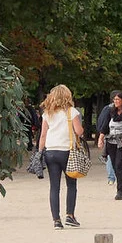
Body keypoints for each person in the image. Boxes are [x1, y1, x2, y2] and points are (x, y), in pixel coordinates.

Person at [38, 84, 83, 230]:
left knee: (54, 187)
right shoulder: (72, 112)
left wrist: (40, 151)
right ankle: (70, 215)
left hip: (51, 151)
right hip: (67, 151)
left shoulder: (47, 113)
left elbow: (43, 134)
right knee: (71, 184)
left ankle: (56, 220)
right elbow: (79, 131)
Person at [98, 91, 122, 200]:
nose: (115, 101)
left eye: (118, 99)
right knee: (115, 165)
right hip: (111, 142)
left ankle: (120, 190)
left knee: (119, 165)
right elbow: (105, 126)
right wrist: (101, 138)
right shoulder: (110, 111)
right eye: (114, 99)